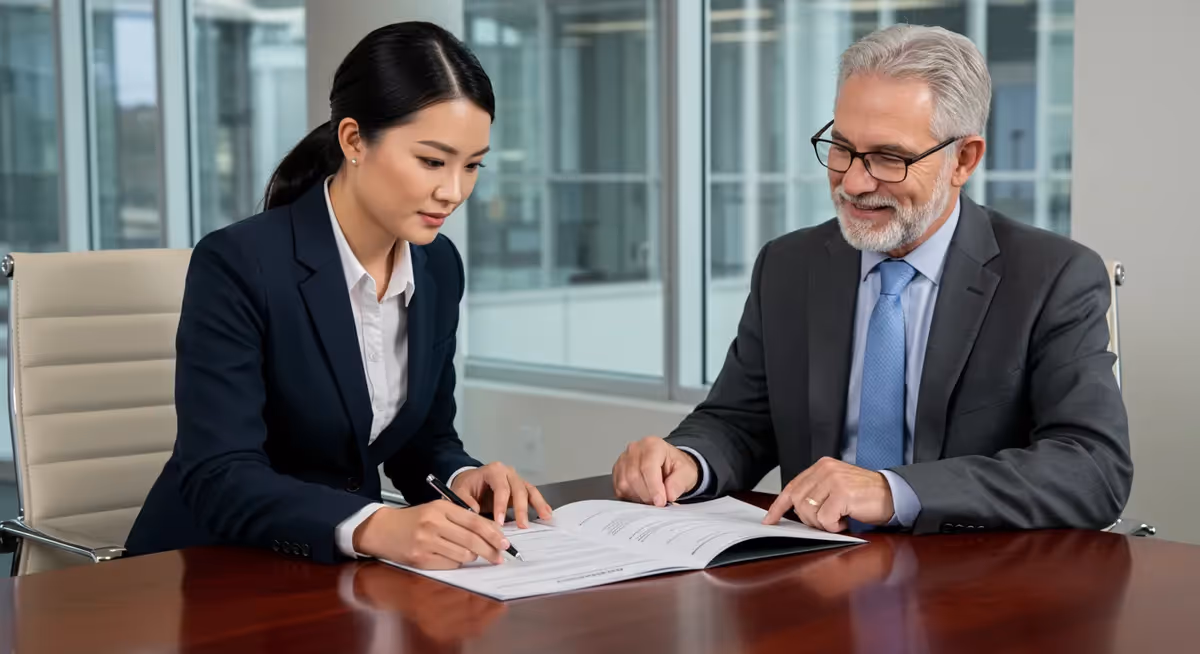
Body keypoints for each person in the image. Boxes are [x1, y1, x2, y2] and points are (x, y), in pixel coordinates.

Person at [611, 24, 1132, 534]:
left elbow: (1092, 467)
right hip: (814, 564)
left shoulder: (1051, 277)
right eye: (842, 148)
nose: (855, 182)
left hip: (972, 573)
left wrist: (893, 491)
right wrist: (688, 460)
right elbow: (738, 421)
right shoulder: (788, 265)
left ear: (963, 159)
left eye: (888, 158)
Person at [126, 21, 551, 568]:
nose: (453, 191)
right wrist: (373, 525)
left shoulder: (438, 266)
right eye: (432, 161)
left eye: (472, 165)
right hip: (210, 568)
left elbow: (422, 440)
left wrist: (461, 477)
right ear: (353, 140)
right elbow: (220, 474)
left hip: (337, 576)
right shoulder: (239, 263)